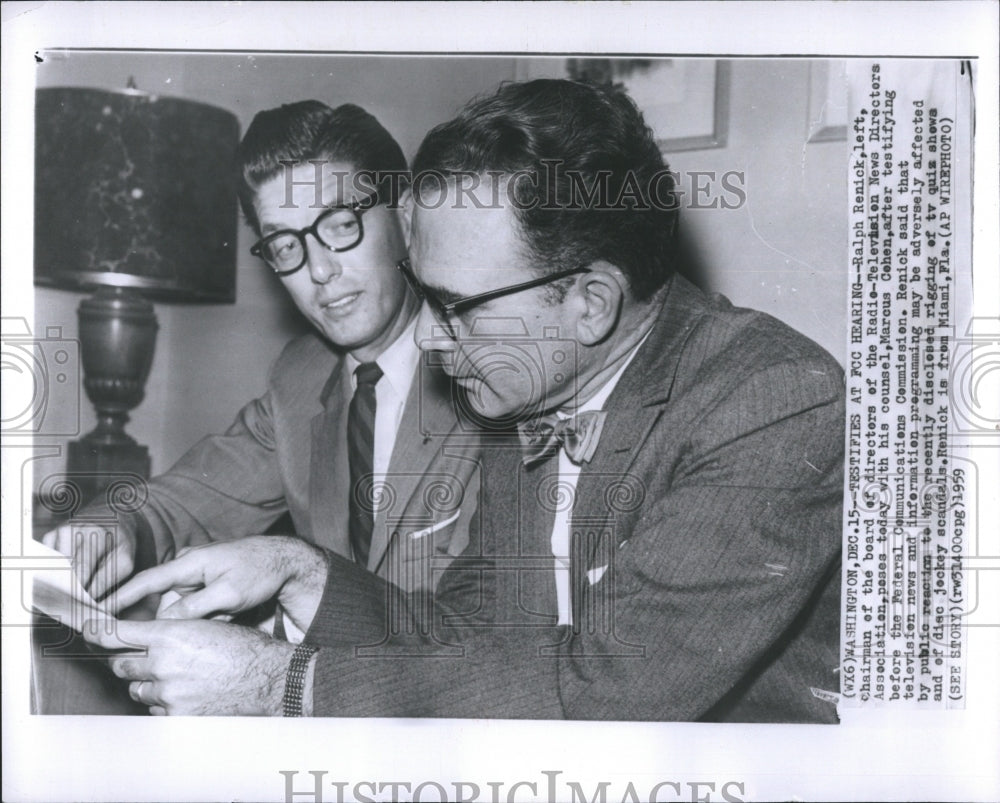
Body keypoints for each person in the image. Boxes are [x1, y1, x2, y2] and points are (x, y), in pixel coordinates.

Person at [90, 79, 844, 722]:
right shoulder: (533, 390)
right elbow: (469, 633)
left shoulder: (771, 399)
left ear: (590, 303)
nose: (430, 340)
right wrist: (298, 569)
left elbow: (610, 689)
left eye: (455, 307)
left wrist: (278, 685)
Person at [43, 100, 480, 600]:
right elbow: (183, 501)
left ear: (404, 219)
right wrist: (112, 527)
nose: (318, 271)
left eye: (340, 225)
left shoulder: (489, 371)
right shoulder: (301, 377)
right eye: (286, 245)